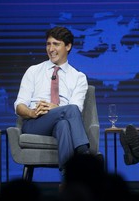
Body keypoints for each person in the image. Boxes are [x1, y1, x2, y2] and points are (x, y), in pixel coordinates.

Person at [14, 26, 95, 180]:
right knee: (68, 112)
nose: (51, 49)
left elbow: (76, 109)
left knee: (64, 124)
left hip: (62, 120)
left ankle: (67, 179)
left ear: (68, 46)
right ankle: (84, 153)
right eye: (48, 44)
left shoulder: (78, 77)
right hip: (35, 123)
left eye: (56, 44)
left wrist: (55, 108)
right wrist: (32, 112)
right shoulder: (33, 71)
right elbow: (19, 105)